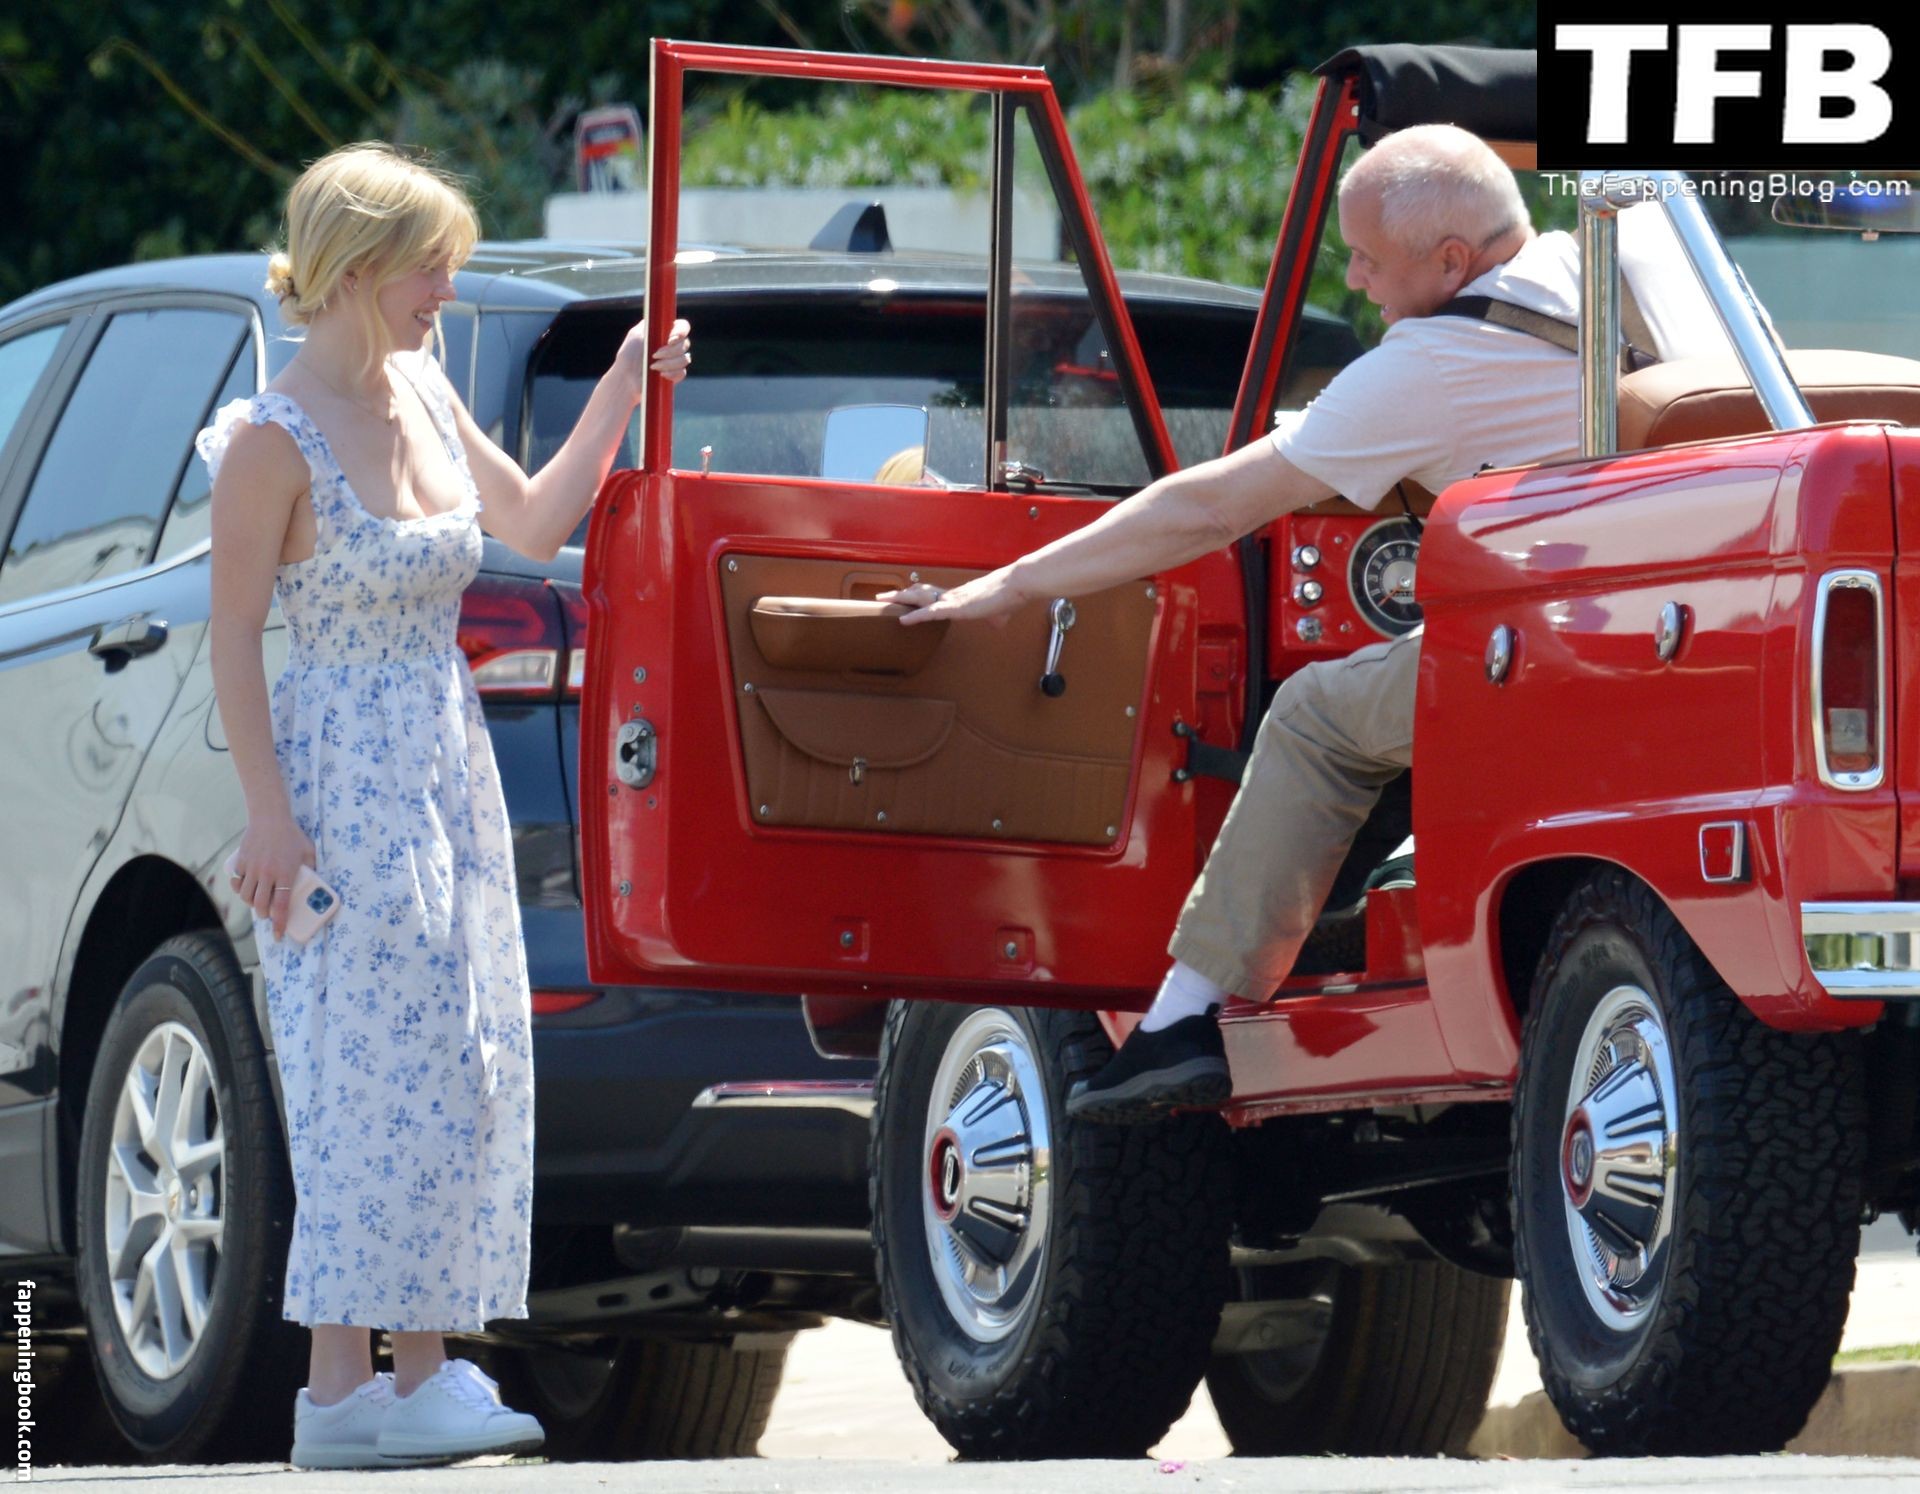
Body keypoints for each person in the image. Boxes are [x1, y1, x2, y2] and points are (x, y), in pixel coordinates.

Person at [881, 124, 1607, 1123]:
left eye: (1366, 258)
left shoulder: (1429, 367)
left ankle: (1186, 1017)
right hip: (1691, 615)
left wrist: (1005, 587)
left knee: (1313, 710)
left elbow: (1207, 509)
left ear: (1452, 262)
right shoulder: (1615, 267)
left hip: (1550, 649)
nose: (1353, 279)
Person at [199, 142, 690, 1468]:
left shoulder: (421, 387)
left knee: (454, 1062)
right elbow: (233, 633)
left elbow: (529, 521)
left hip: (444, 759)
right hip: (337, 773)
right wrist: (268, 813)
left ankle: (405, 1376)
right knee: (360, 1072)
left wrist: (623, 388)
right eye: (431, 268)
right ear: (358, 267)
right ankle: (346, 1388)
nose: (447, 293)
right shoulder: (272, 437)